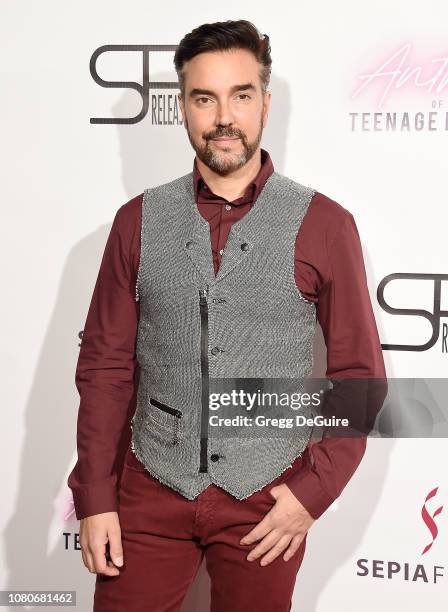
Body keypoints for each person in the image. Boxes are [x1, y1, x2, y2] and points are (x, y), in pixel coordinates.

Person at [67, 19, 386, 612]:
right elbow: (106, 365)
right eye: (203, 97)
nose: (223, 117)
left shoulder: (324, 224)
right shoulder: (137, 220)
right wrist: (95, 495)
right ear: (182, 107)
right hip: (149, 487)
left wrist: (311, 493)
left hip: (267, 496)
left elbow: (359, 378)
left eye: (241, 95)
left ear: (265, 102)